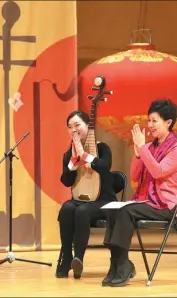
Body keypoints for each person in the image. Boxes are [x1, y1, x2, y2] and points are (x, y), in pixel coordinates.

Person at [102, 99, 177, 287]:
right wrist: (139, 153)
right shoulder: (149, 147)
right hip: (146, 201)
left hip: (165, 206)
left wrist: (142, 149)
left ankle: (122, 266)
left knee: (126, 211)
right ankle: (117, 263)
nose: (150, 125)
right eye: (149, 121)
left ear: (168, 123)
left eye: (154, 121)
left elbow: (158, 172)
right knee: (113, 209)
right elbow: (134, 175)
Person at [56, 110, 116, 279]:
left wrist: (86, 157)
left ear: (87, 127)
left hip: (104, 201)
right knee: (67, 208)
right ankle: (67, 257)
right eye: (69, 127)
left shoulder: (102, 148)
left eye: (77, 125)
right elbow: (66, 181)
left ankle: (78, 258)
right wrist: (72, 164)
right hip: (80, 199)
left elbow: (105, 167)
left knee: (82, 211)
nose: (73, 130)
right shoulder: (68, 154)